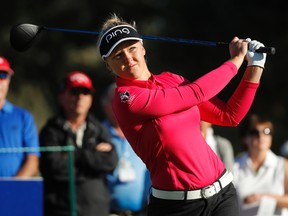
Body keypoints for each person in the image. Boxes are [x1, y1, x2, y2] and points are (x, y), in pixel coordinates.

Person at [96, 13, 266, 216]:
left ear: (142, 48)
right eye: (118, 56)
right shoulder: (126, 99)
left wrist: (255, 67)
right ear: (108, 65)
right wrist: (236, 61)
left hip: (223, 194)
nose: (128, 58)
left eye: (132, 48)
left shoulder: (172, 79)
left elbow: (229, 115)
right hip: (177, 208)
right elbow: (196, 92)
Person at [39, 71, 118, 216]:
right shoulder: (50, 131)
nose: (80, 97)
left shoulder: (98, 128)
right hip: (61, 210)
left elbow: (110, 162)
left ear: (91, 99)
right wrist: (92, 161)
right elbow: (55, 169)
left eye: (85, 92)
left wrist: (73, 155)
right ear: (62, 97)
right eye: (74, 92)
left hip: (96, 210)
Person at [101, 82, 151, 216]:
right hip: (109, 212)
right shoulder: (97, 134)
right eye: (116, 101)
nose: (121, 105)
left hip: (145, 211)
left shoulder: (145, 131)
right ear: (105, 106)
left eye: (125, 100)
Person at [233, 114, 288, 216]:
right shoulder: (233, 165)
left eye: (267, 131)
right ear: (244, 138)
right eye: (254, 132)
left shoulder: (284, 165)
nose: (261, 136)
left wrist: (263, 197)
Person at [0, 55, 40, 178]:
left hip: (14, 193)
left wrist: (11, 188)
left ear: (9, 80)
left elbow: (32, 160)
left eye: (2, 76)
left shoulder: (23, 117)